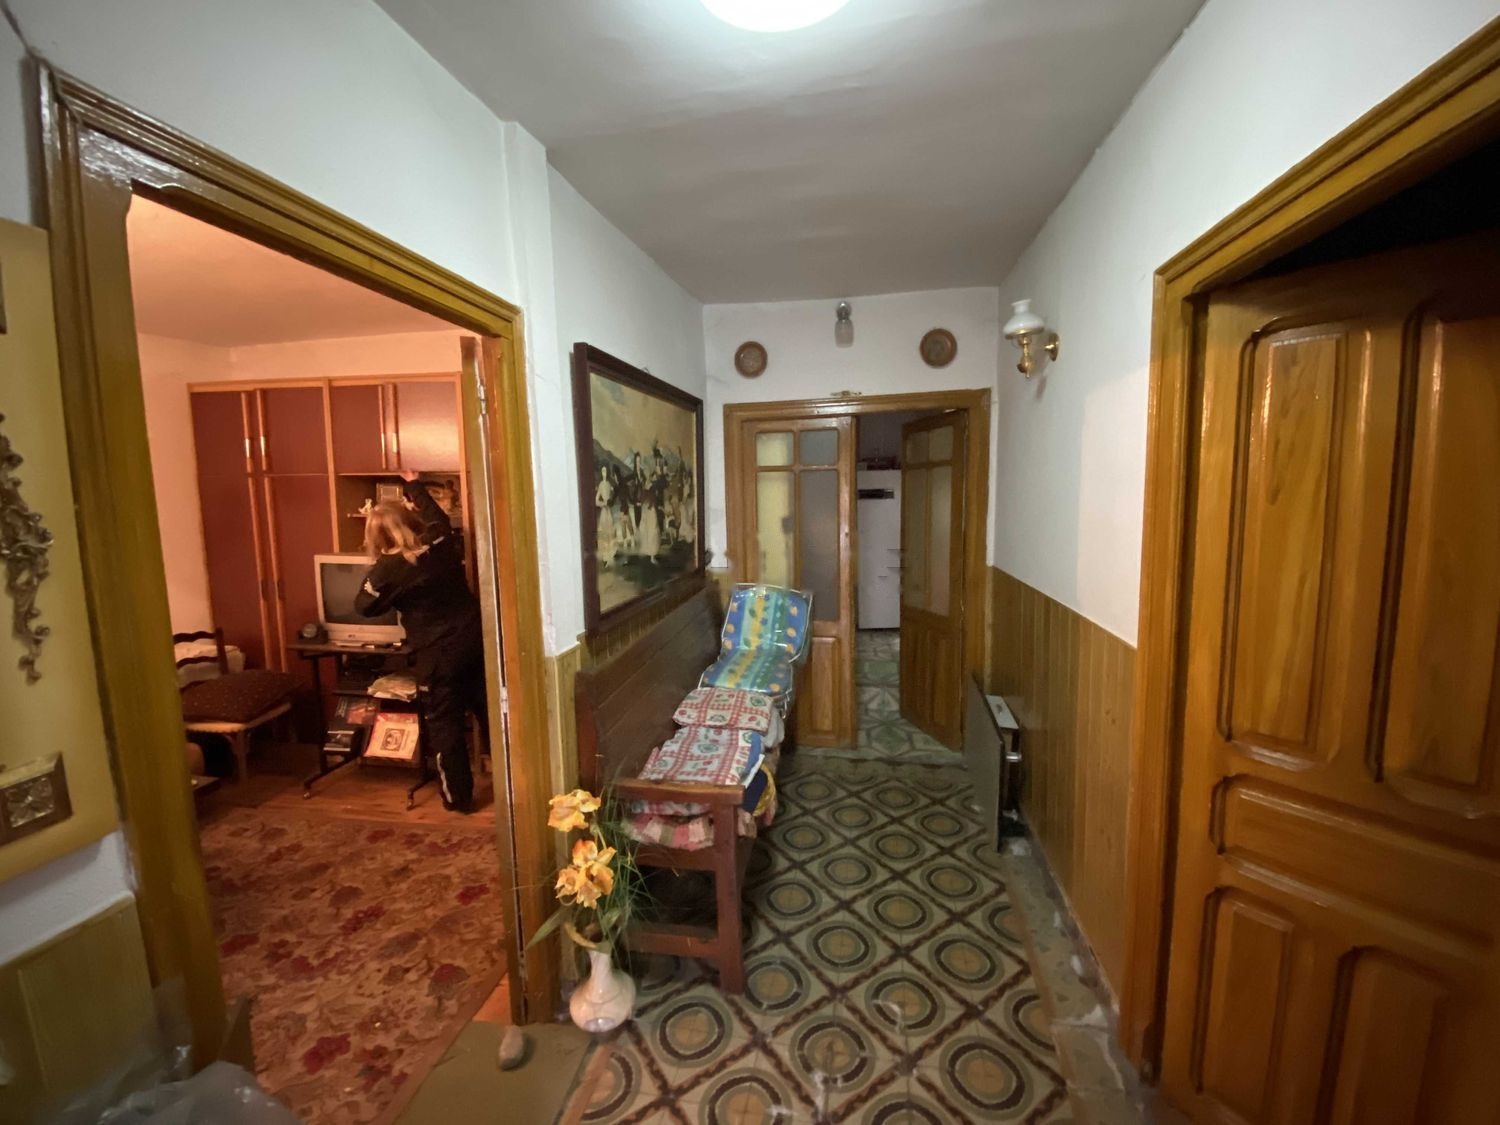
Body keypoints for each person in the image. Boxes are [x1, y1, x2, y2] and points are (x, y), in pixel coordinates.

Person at [356, 469, 485, 813]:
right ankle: (520, 787)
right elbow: (438, 518)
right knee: (492, 714)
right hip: (475, 641)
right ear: (408, 521)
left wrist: (385, 575)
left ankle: (459, 799)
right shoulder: (439, 541)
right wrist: (413, 484)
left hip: (438, 655)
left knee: (445, 726)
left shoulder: (387, 570)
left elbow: (363, 605)